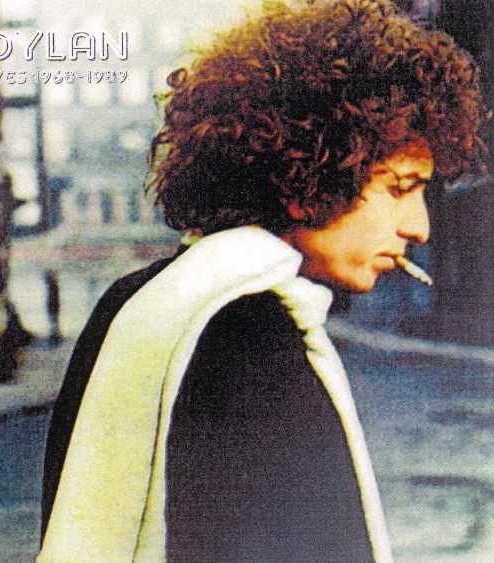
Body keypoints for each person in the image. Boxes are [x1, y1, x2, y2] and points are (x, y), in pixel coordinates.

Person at [39, 1, 486, 561]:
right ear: (312, 171)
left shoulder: (132, 299)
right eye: (399, 188)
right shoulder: (257, 339)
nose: (418, 227)